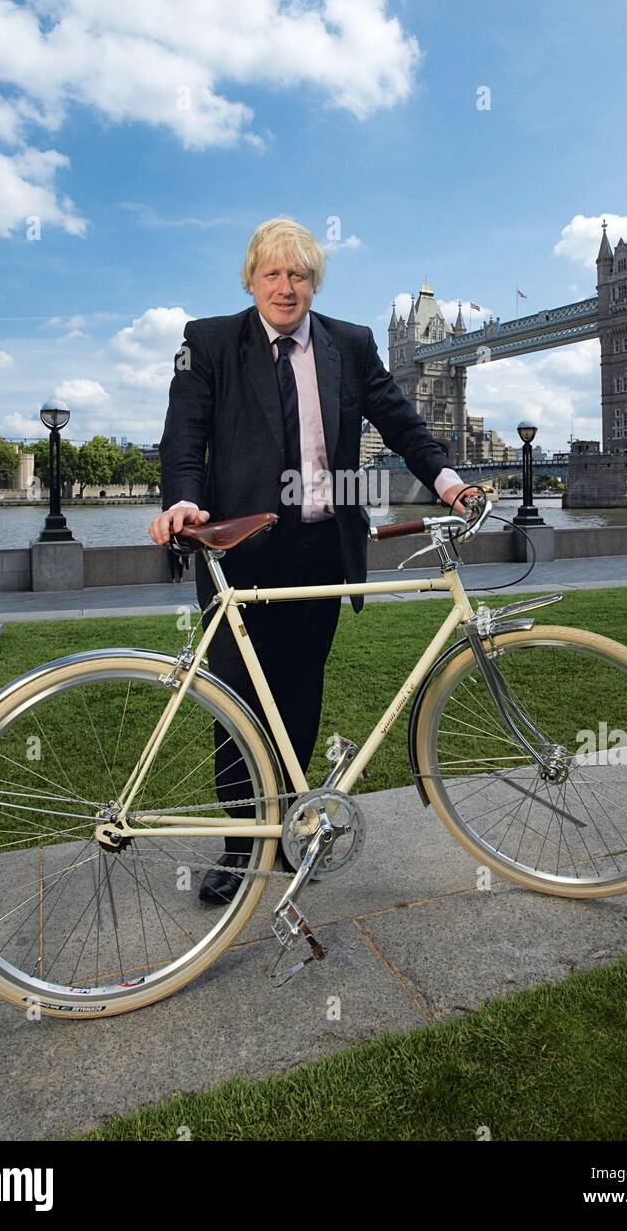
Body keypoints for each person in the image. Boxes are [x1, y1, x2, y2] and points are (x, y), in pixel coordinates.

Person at [149, 217, 480, 902]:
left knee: (299, 697)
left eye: (298, 275)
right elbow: (184, 433)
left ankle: (287, 830)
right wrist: (182, 499)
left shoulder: (351, 345)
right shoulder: (209, 341)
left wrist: (448, 482)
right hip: (240, 550)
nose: (285, 287)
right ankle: (239, 850)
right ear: (251, 279)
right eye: (272, 273)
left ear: (314, 283)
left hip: (321, 547)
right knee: (238, 704)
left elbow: (402, 423)